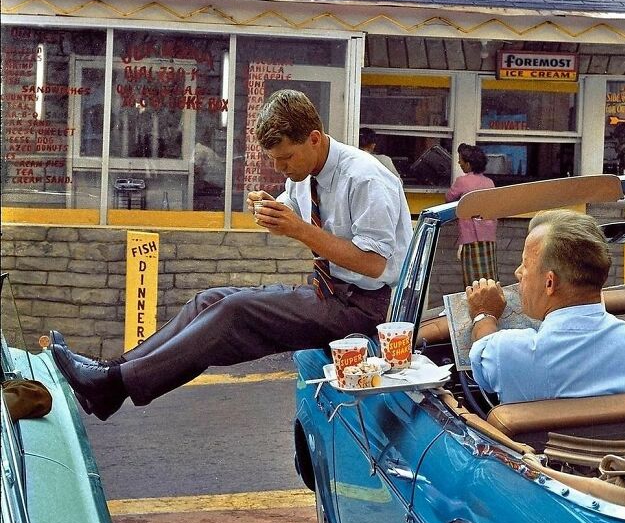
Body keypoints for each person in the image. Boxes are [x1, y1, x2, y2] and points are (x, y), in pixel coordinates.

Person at [51, 90, 413, 421]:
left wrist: (300, 230)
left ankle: (111, 384)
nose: (282, 169)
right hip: (330, 292)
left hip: (370, 309)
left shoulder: (366, 178)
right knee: (208, 301)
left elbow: (373, 264)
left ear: (314, 139)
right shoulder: (305, 170)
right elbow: (295, 206)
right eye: (275, 161)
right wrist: (271, 209)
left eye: (286, 158)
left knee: (233, 312)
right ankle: (111, 374)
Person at [466, 209, 625, 404]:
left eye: (525, 264)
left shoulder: (508, 354)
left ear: (550, 283)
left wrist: (483, 314)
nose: (518, 272)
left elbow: (484, 353)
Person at [446, 144, 498, 286]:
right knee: (489, 275)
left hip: (470, 236)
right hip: (489, 235)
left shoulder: (462, 181)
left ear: (468, 164)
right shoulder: (489, 182)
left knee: (472, 279)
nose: (459, 163)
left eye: (461, 160)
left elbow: (449, 197)